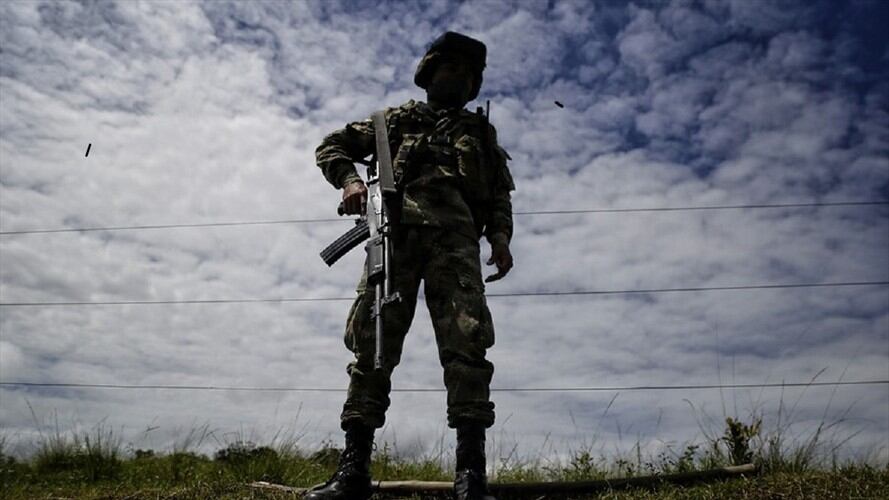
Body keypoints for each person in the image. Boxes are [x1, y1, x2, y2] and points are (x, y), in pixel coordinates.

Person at [309, 31, 515, 500]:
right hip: (395, 240)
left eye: (469, 74)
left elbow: (499, 194)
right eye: (450, 69)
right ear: (428, 74)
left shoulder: (480, 134)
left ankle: (470, 477)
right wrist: (350, 183)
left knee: (468, 348)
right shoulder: (392, 122)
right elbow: (332, 147)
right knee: (371, 346)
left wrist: (501, 238)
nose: (459, 79)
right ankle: (353, 471)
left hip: (457, 247)